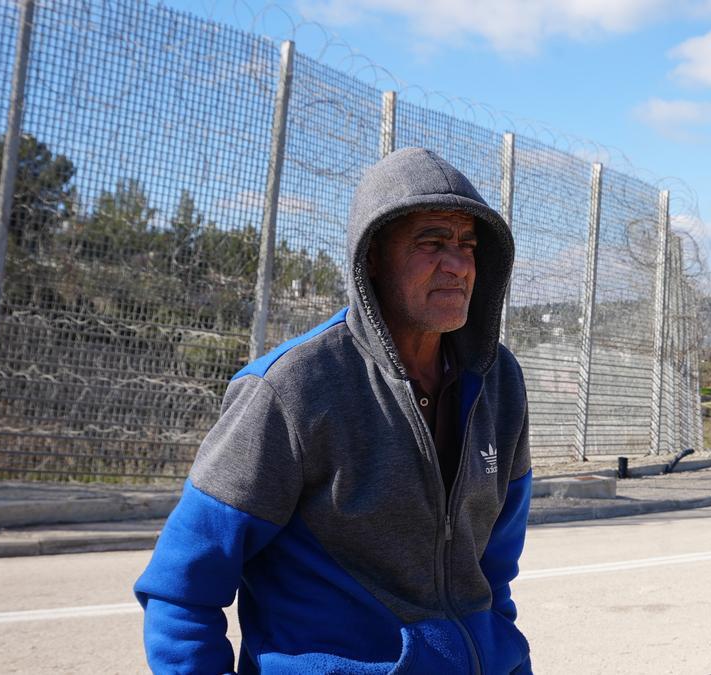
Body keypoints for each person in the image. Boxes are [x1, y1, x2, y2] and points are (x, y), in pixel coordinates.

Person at [134, 148, 533, 674]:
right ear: (371, 257)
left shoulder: (498, 383)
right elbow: (181, 591)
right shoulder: (291, 388)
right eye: (431, 243)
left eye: (467, 245)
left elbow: (492, 576)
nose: (457, 264)